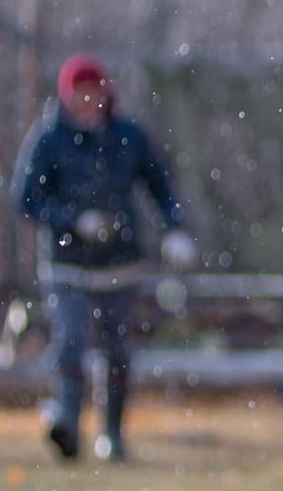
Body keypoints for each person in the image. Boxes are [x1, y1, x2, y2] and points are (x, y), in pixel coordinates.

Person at [12, 55, 196, 462]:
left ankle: (111, 433)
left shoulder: (128, 137)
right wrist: (73, 221)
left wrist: (174, 229)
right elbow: (26, 199)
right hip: (68, 265)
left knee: (117, 352)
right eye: (80, 93)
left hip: (120, 264)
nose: (88, 100)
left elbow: (159, 185)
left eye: (94, 92)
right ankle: (68, 422)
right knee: (71, 343)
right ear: (66, 95)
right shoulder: (48, 140)